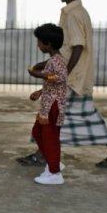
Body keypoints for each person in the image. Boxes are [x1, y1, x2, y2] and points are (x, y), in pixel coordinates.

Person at [17, 0, 107, 168]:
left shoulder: (74, 14)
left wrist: (62, 73)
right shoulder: (75, 13)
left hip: (73, 79)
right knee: (84, 115)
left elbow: (77, 47)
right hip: (75, 78)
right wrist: (47, 64)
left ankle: (42, 154)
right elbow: (68, 47)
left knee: (52, 116)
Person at [28, 23, 68, 185]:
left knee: (50, 137)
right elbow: (53, 83)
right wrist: (40, 91)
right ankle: (54, 163)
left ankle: (54, 173)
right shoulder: (52, 60)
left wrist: (37, 74)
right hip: (47, 104)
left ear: (48, 44)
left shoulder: (57, 61)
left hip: (53, 106)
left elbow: (59, 78)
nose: (38, 45)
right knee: (38, 133)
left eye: (39, 42)